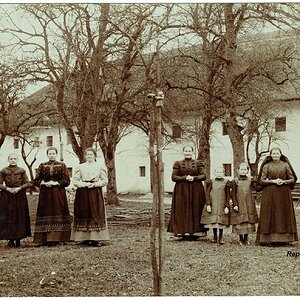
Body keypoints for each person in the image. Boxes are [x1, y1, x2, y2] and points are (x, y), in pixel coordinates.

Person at [256, 147, 298, 246]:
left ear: (280, 154)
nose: (275, 155)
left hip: (284, 193)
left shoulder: (286, 165)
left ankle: (285, 239)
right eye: (273, 154)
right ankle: (268, 239)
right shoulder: (266, 165)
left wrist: (284, 181)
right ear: (271, 155)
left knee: (283, 214)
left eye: (277, 153)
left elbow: (292, 179)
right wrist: (273, 181)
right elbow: (262, 181)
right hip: (269, 193)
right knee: (270, 214)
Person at [33, 147, 72, 246]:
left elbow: (67, 180)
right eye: (50, 153)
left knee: (58, 211)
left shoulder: (62, 165)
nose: (51, 155)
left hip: (58, 193)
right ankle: (44, 238)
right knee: (46, 212)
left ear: (56, 154)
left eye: (53, 153)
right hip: (45, 194)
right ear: (47, 155)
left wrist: (56, 183)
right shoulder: (42, 165)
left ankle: (58, 238)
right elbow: (36, 180)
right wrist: (43, 183)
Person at [167, 146, 208, 239]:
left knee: (196, 208)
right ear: (183, 152)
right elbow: (173, 177)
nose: (188, 152)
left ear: (192, 152)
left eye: (189, 151)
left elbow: (204, 176)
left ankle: (196, 232)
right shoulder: (178, 163)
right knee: (182, 209)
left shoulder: (198, 163)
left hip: (196, 190)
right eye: (186, 151)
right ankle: (182, 231)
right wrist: (185, 178)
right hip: (182, 190)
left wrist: (194, 178)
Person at [71, 148, 109, 247]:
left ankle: (95, 238)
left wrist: (95, 184)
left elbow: (105, 181)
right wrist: (83, 184)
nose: (89, 156)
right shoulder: (80, 167)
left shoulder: (100, 166)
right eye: (87, 155)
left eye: (91, 154)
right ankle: (84, 238)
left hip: (95, 192)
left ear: (95, 156)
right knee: (83, 212)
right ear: (85, 156)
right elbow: (75, 181)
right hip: (82, 193)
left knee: (95, 213)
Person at [0, 153, 31, 247]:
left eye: (14, 158)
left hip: (19, 196)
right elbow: (0, 184)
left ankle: (18, 239)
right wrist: (7, 189)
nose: (13, 160)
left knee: (20, 215)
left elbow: (28, 183)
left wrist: (19, 188)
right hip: (7, 196)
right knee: (8, 216)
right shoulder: (3, 170)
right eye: (11, 158)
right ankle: (10, 239)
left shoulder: (22, 170)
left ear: (17, 160)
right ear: (8, 160)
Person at [230, 163, 259, 245]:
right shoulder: (235, 181)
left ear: (247, 171)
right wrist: (235, 204)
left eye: (245, 169)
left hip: (248, 203)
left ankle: (246, 238)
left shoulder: (251, 180)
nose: (243, 171)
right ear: (238, 170)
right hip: (239, 203)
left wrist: (261, 180)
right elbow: (233, 194)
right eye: (241, 169)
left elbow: (257, 188)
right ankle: (240, 239)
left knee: (247, 220)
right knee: (240, 220)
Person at [201, 167, 230, 244]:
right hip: (213, 204)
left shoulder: (226, 182)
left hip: (222, 205)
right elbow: (207, 194)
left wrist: (227, 206)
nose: (219, 174)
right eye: (217, 172)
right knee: (214, 221)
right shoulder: (211, 182)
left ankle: (221, 237)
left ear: (223, 173)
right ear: (215, 173)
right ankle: (214, 237)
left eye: (221, 172)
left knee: (221, 221)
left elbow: (228, 195)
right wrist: (208, 204)